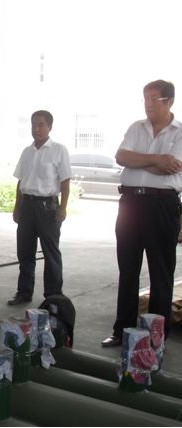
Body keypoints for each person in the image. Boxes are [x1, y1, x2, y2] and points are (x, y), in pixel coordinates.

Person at [102, 80, 182, 347]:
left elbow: (170, 167)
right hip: (130, 204)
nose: (148, 104)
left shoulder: (180, 132)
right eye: (145, 98)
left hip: (162, 205)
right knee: (128, 269)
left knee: (161, 273)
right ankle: (122, 330)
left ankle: (155, 337)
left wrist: (140, 160)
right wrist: (157, 158)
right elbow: (121, 156)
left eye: (154, 99)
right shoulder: (136, 127)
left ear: (169, 101)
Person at [8, 110, 71, 306]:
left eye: (41, 125)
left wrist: (63, 208)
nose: (36, 129)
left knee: (51, 252)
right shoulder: (27, 152)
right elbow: (20, 181)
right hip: (27, 206)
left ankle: (53, 295)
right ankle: (24, 292)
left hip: (48, 208)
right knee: (25, 252)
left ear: (50, 127)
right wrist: (17, 207)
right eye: (34, 124)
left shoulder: (59, 150)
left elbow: (65, 182)